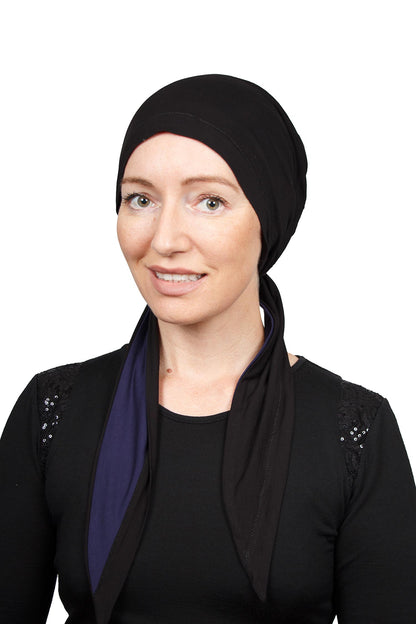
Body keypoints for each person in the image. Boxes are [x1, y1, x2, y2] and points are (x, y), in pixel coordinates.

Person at [0, 74, 415, 624]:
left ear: (268, 220)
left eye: (210, 201)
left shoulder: (354, 430)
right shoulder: (53, 409)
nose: (164, 239)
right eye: (141, 199)